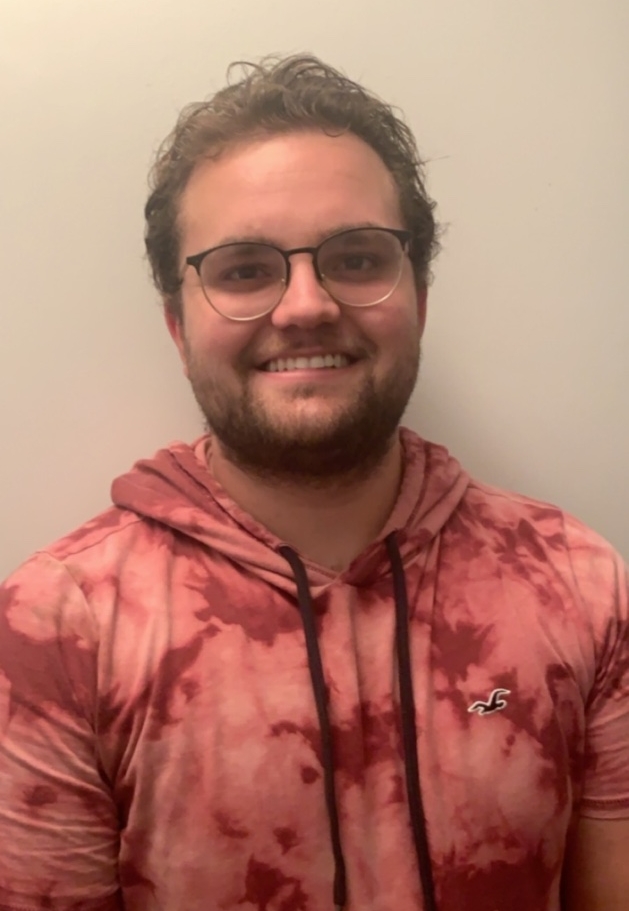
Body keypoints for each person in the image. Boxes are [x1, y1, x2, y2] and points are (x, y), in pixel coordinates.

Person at [0, 55, 627, 911]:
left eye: (356, 258)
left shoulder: (577, 584)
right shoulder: (57, 625)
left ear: (419, 298)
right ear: (178, 326)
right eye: (244, 269)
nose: (305, 306)